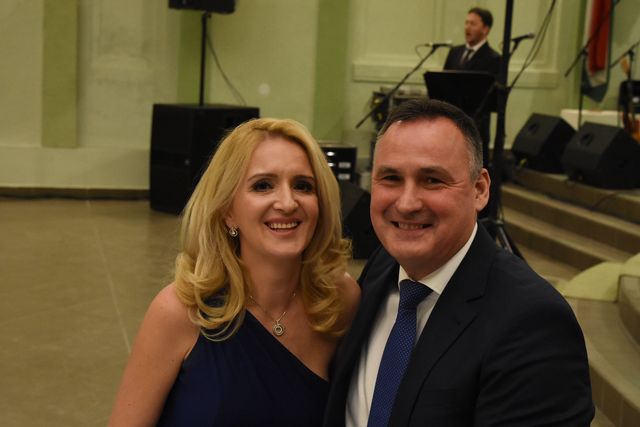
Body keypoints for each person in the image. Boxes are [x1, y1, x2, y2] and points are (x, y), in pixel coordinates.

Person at [323, 98, 594, 426]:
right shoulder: (382, 266)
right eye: (391, 178)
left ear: (480, 189)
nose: (406, 203)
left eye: (432, 180)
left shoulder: (534, 322)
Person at [109, 118, 360, 426]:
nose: (287, 202)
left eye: (303, 186)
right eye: (263, 185)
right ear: (228, 211)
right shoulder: (180, 311)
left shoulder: (339, 300)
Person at [444, 7, 501, 169]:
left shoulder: (493, 58)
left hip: (476, 124)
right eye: (466, 23)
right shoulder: (455, 52)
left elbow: (489, 96)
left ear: (485, 29)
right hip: (450, 120)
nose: (467, 27)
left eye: (473, 24)